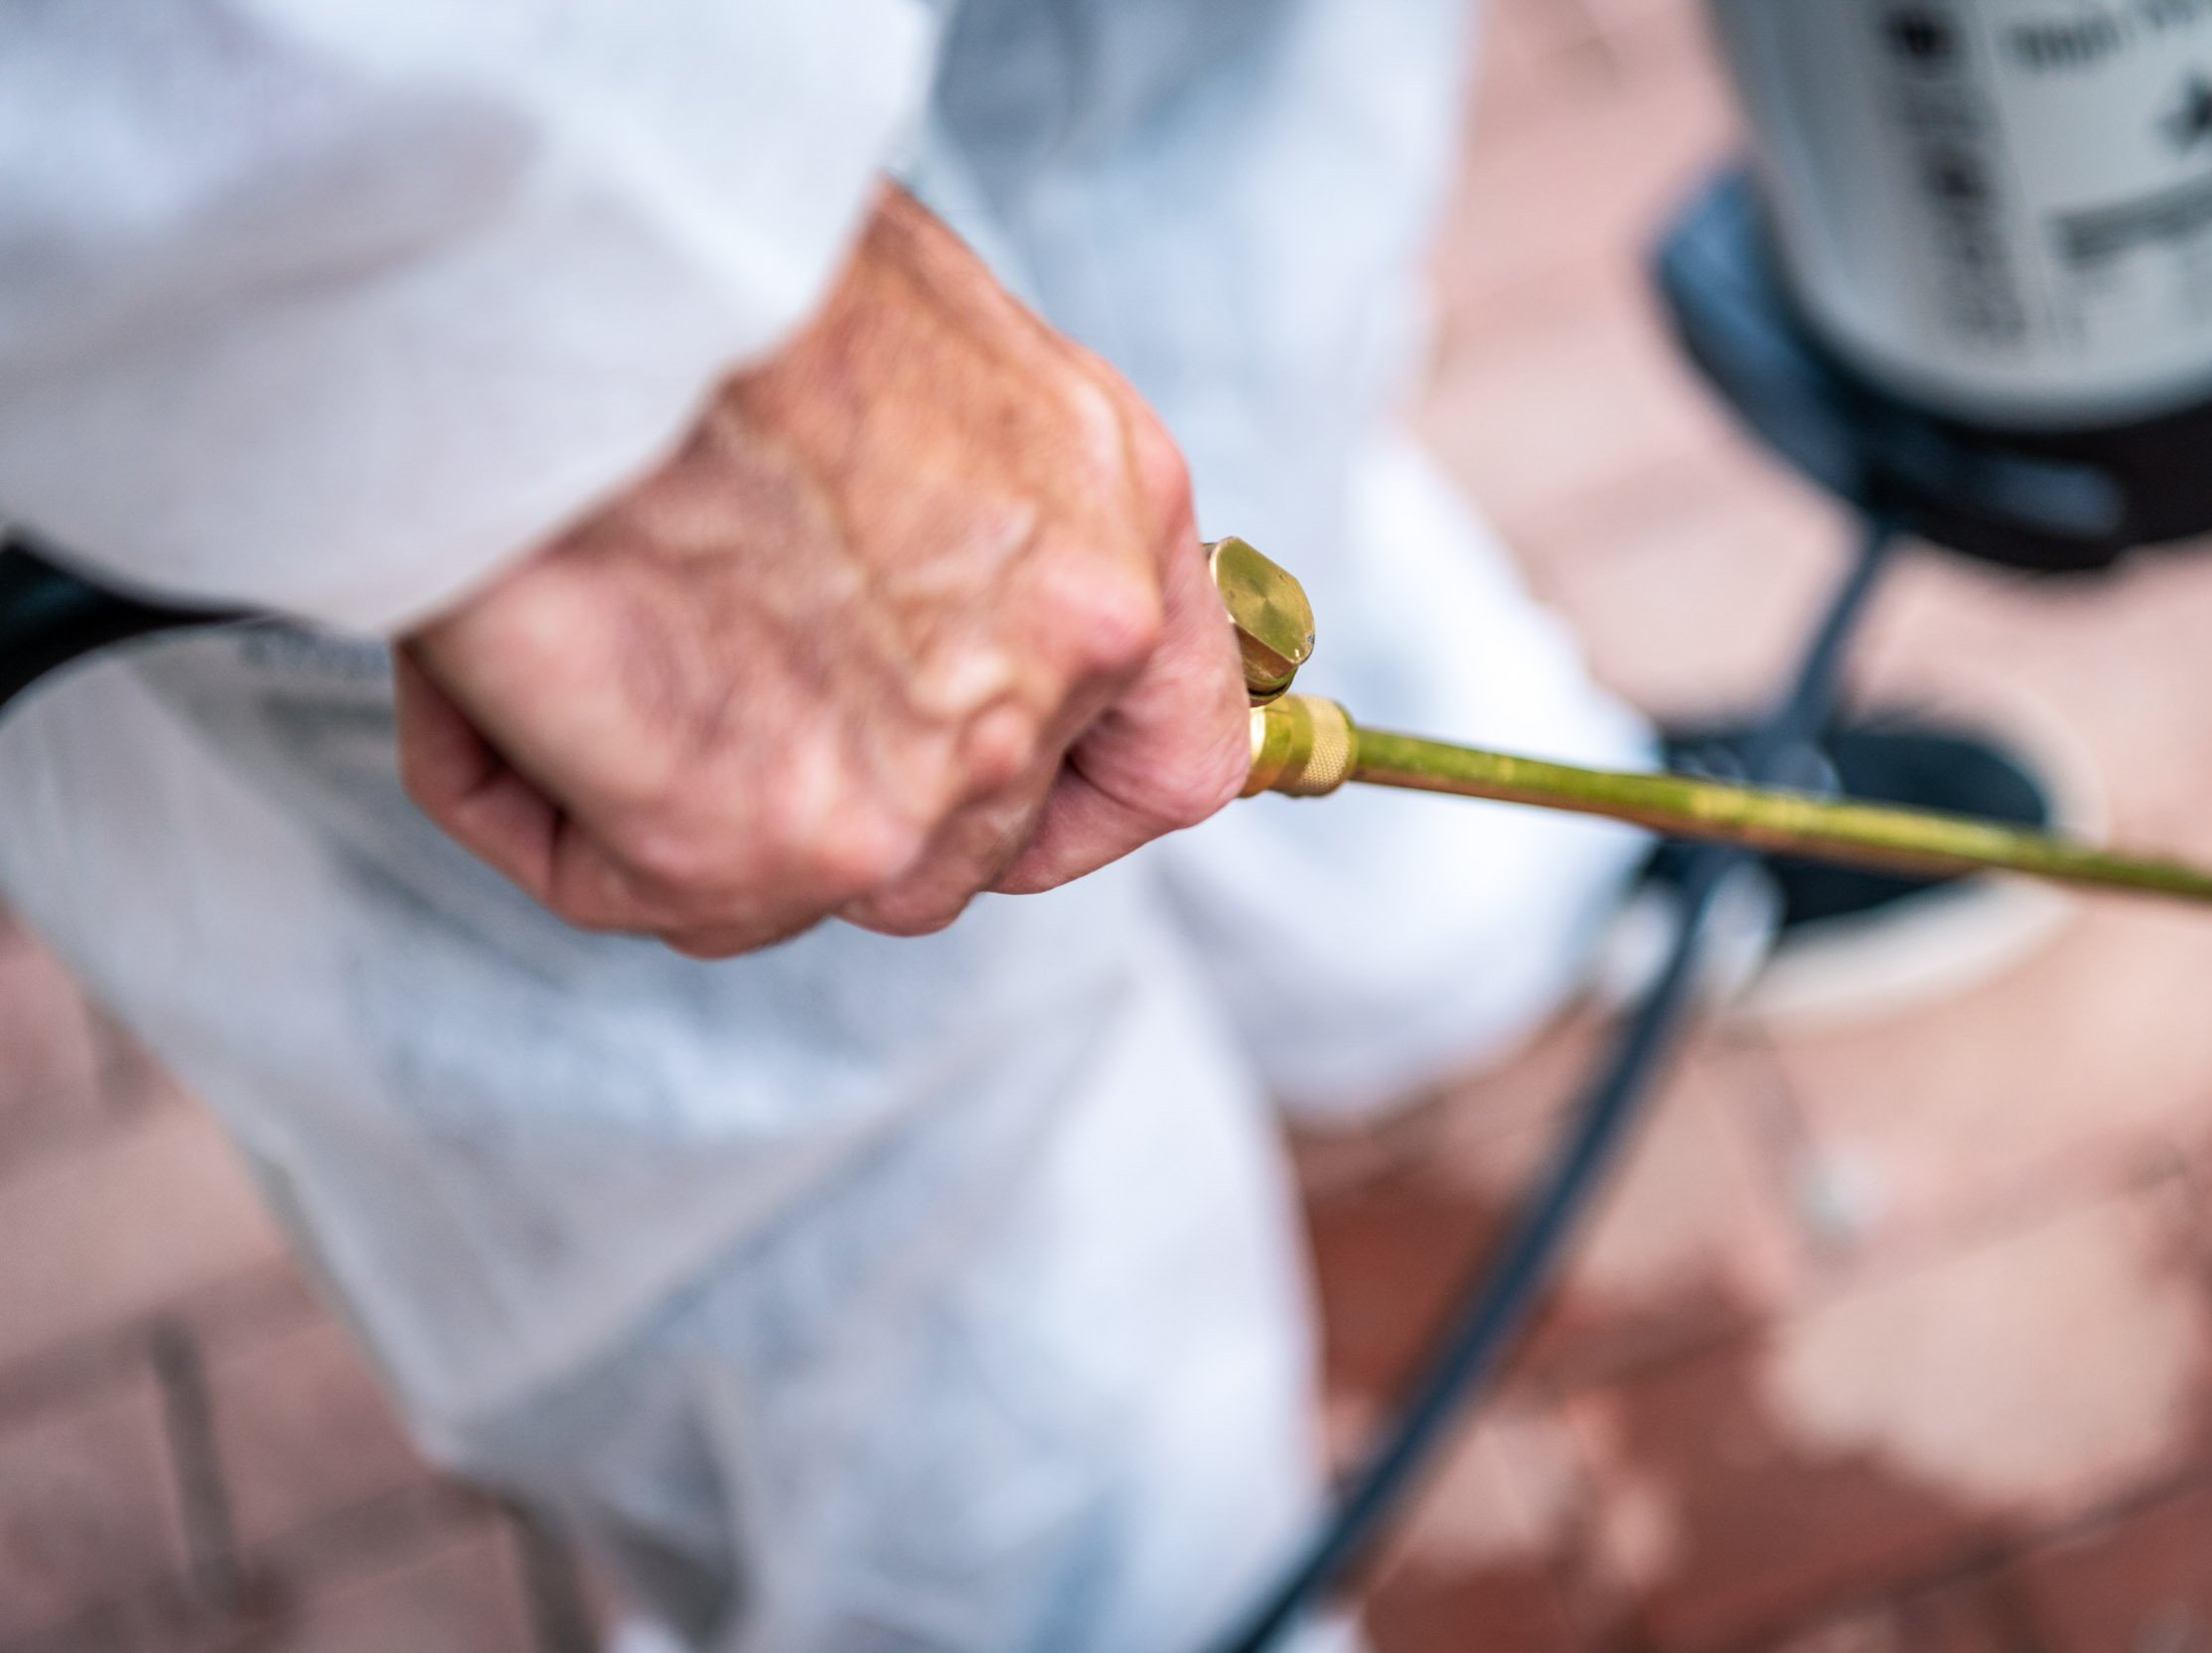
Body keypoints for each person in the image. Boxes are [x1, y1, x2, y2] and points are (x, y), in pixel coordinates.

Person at [0, 5, 2053, 1650]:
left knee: (1200, 223)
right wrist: (576, 293)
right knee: (788, 1109)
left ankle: (1406, 924)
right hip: (392, 163)